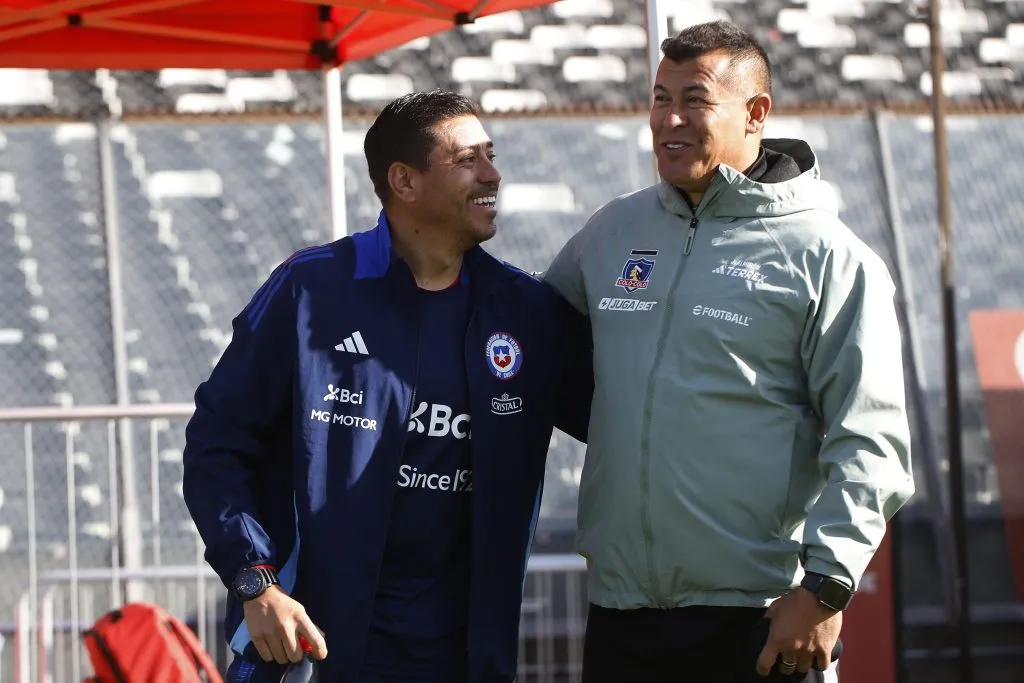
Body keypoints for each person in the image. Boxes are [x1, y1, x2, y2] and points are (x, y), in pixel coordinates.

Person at [543, 20, 914, 683]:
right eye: (660, 97)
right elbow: (535, 347)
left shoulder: (828, 256)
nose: (670, 119)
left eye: (695, 99)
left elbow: (872, 438)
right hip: (621, 614)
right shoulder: (611, 230)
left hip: (762, 619)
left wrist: (825, 588)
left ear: (756, 113)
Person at [182, 90, 592, 683]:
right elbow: (216, 444)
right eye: (468, 159)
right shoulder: (313, 290)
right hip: (313, 654)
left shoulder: (527, 311)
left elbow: (627, 423)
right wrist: (255, 581)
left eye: (491, 155)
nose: (492, 174)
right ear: (404, 180)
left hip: (467, 659)